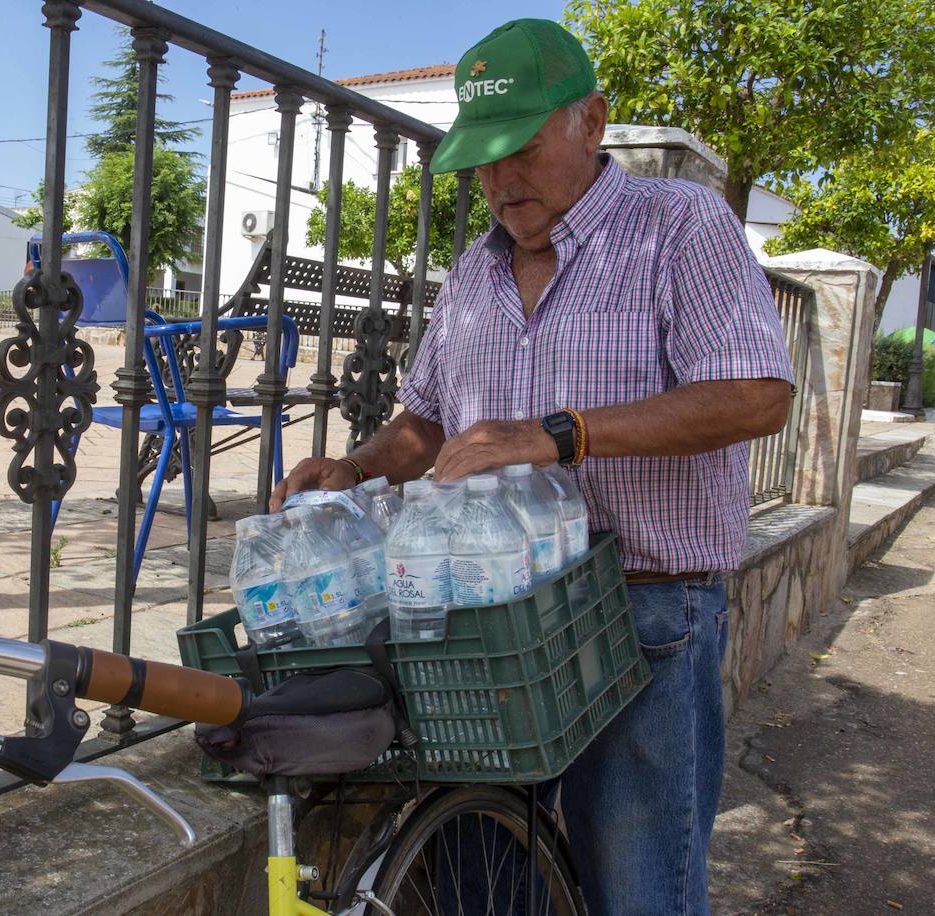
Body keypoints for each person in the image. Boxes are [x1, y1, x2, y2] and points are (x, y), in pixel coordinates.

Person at [270, 17, 795, 916]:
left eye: (520, 147)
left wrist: (557, 434)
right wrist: (354, 469)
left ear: (590, 121)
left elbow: (755, 394)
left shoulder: (676, 227)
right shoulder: (475, 271)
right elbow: (431, 421)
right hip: (487, 617)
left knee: (640, 888)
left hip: (644, 612)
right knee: (479, 876)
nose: (500, 179)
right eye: (481, 159)